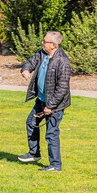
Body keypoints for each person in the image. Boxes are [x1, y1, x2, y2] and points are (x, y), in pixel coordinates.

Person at [17, 31, 71, 171]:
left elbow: (62, 88)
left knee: (51, 133)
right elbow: (30, 62)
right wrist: (26, 70)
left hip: (54, 105)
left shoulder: (62, 61)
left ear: (53, 45)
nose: (42, 43)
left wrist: (50, 106)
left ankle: (55, 165)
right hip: (41, 100)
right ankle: (34, 154)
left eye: (45, 41)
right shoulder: (42, 53)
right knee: (31, 123)